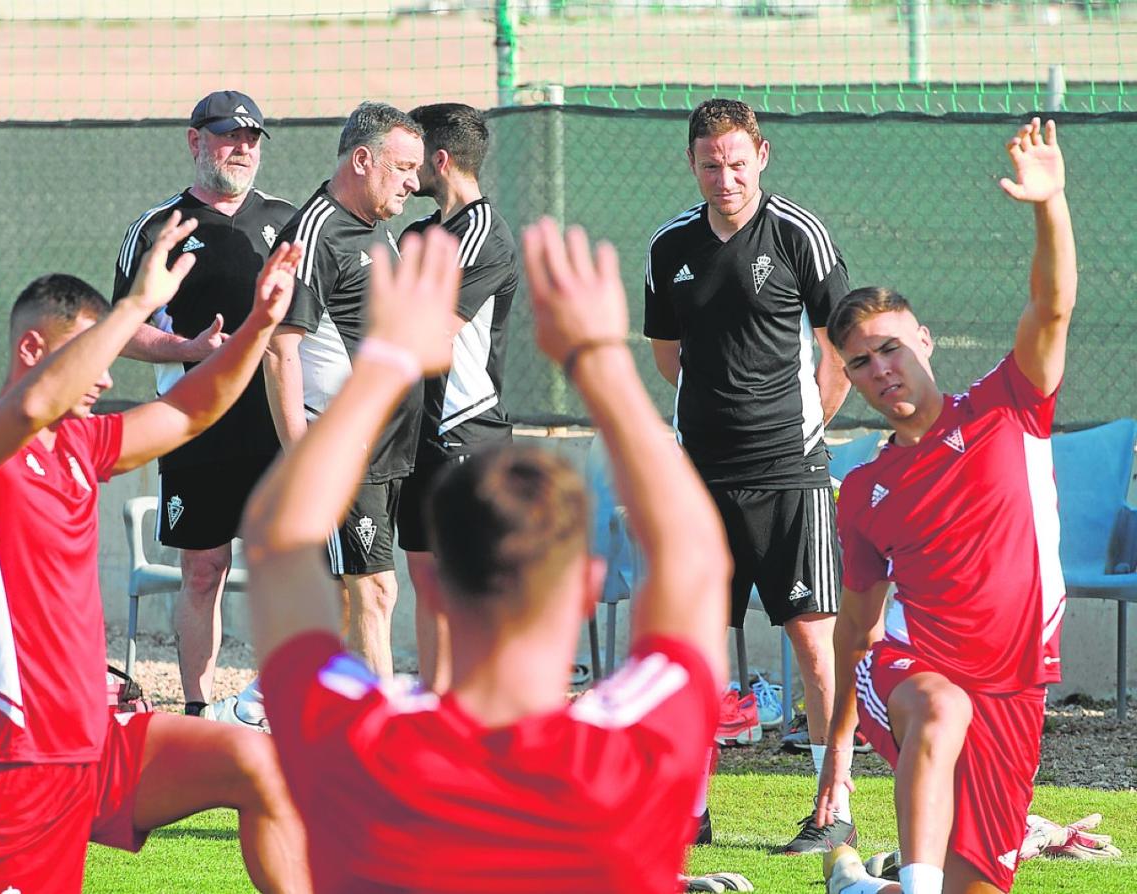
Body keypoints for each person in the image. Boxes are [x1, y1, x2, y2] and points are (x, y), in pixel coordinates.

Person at [242, 220, 730, 892]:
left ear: (435, 587)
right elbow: (695, 558)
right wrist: (597, 358)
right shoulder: (633, 754)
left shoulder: (358, 743)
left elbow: (275, 539)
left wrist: (386, 360)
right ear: (588, 588)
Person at [0, 214, 309, 892]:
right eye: (95, 352)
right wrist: (133, 306)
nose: (104, 375)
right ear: (35, 350)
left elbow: (189, 411)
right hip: (6, 770)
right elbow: (35, 403)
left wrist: (259, 328)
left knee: (263, 765)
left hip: (97, 746)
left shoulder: (79, 445)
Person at [816, 118, 1075, 894]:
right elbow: (856, 635)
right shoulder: (863, 491)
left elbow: (1053, 306)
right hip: (912, 674)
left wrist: (1049, 204)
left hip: (1016, 688)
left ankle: (868, 887)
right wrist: (837, 755)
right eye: (860, 363)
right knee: (939, 703)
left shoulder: (1009, 405)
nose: (880, 369)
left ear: (923, 340)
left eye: (890, 348)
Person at [643, 97, 854, 854]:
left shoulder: (799, 234)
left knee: (813, 643)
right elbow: (669, 356)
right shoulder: (670, 245)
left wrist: (800, 433)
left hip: (791, 474)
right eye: (710, 164)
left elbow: (841, 353)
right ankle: (690, 812)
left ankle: (833, 810)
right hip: (698, 480)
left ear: (761, 156)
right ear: (692, 164)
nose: (724, 177)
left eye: (736, 162)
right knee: (697, 650)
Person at [113, 90, 295, 721]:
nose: (242, 148)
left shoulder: (290, 220)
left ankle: (276, 707)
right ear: (196, 141)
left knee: (284, 570)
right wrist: (188, 347)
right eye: (227, 136)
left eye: (252, 139)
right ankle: (198, 712)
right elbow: (122, 327)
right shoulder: (158, 227)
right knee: (203, 570)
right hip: (195, 426)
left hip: (277, 426)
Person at [260, 100, 425, 686]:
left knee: (361, 595)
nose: (414, 181)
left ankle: (334, 726)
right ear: (363, 159)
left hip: (389, 449)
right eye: (404, 167)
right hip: (342, 449)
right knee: (374, 589)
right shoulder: (311, 233)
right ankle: (379, 748)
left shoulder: (378, 232)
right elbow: (279, 351)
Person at [397, 102, 520, 693]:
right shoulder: (418, 232)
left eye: (414, 158)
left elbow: (429, 328)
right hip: (416, 435)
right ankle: (433, 707)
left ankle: (487, 714)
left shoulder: (481, 233)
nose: (405, 171)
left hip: (465, 433)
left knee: (468, 588)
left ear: (439, 161)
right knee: (424, 579)